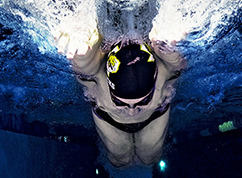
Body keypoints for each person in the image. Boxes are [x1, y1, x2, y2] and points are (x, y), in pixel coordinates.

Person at [66, 34, 185, 168]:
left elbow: (175, 56)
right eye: (120, 103)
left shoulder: (168, 70)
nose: (132, 111)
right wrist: (82, 45)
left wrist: (169, 43)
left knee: (150, 159)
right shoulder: (95, 74)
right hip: (110, 120)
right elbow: (84, 60)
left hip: (154, 116)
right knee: (120, 160)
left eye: (143, 101)